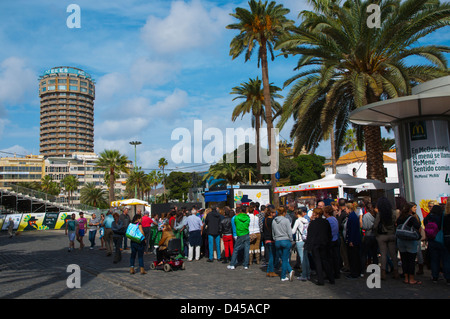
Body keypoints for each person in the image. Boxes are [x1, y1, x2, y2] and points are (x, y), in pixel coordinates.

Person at [306, 208, 334, 285]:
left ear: (317, 214)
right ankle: (331, 278)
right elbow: (329, 233)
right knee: (325, 261)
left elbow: (310, 235)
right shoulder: (325, 222)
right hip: (324, 244)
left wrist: (308, 246)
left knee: (318, 262)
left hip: (316, 244)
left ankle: (320, 280)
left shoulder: (313, 223)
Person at [424, 204, 450, 285]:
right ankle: (448, 278)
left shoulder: (428, 217)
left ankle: (435, 276)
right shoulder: (442, 216)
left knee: (434, 260)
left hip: (431, 240)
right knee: (446, 259)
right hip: (441, 240)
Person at [373, 197, 399, 280]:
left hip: (382, 235)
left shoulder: (380, 214)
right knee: (393, 255)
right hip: (391, 234)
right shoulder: (393, 213)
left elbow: (375, 225)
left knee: (383, 255)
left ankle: (383, 273)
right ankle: (396, 271)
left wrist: (376, 233)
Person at [396, 202, 422, 285]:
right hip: (410, 240)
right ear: (410, 209)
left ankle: (406, 277)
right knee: (411, 260)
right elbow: (418, 227)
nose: (415, 209)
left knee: (404, 259)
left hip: (401, 240)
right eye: (414, 207)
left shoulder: (400, 217)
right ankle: (411, 279)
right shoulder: (412, 218)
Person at [272, 206, 295, 282]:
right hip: (285, 240)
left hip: (277, 241)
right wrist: (291, 240)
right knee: (285, 259)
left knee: (282, 258)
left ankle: (290, 270)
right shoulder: (286, 220)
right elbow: (289, 232)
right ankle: (283, 276)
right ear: (284, 213)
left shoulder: (274, 221)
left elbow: (273, 232)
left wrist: (275, 238)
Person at [292, 207, 310, 281]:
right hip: (305, 240)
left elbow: (293, 231)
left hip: (299, 240)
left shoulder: (298, 221)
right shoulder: (306, 220)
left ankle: (304, 274)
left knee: (302, 258)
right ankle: (308, 273)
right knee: (306, 257)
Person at [345, 203, 362, 279]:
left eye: (346, 209)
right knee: (354, 256)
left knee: (353, 257)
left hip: (353, 240)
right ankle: (355, 272)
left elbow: (353, 230)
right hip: (355, 239)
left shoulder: (352, 217)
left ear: (349, 209)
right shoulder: (353, 216)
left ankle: (354, 272)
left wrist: (351, 240)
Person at [361, 202, 378, 273]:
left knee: (364, 253)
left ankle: (363, 269)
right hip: (375, 236)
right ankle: (375, 268)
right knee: (374, 254)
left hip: (368, 235)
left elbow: (364, 226)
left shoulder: (366, 216)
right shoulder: (376, 215)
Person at [324, 205, 340, 280]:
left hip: (330, 241)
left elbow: (327, 232)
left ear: (326, 213)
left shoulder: (328, 220)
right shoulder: (334, 219)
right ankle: (337, 272)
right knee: (335, 258)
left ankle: (330, 273)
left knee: (329, 258)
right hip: (335, 240)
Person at [262, 206, 278, 277]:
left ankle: (269, 270)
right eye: (274, 213)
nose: (275, 214)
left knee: (271, 256)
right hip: (271, 239)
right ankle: (271, 271)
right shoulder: (272, 221)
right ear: (271, 213)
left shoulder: (265, 219)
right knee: (272, 256)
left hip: (266, 239)